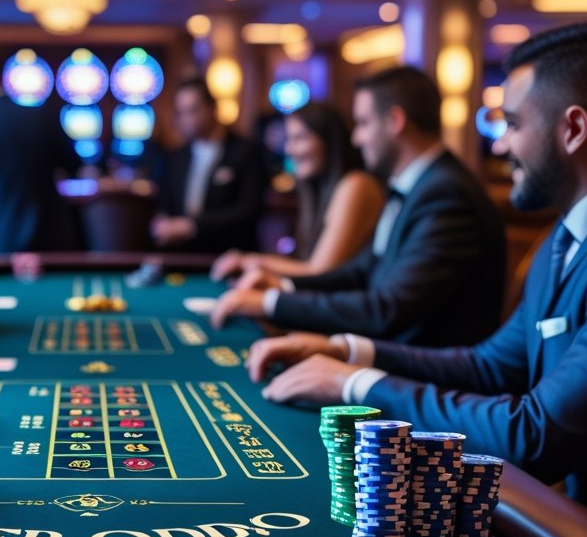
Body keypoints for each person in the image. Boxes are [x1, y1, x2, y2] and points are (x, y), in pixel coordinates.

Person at [248, 22, 587, 537]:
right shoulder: (572, 231)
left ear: (572, 129)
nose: (500, 143)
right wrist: (348, 350)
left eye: (513, 124)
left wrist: (353, 388)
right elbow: (492, 365)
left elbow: (534, 437)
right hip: (576, 535)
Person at [210, 66, 505, 348]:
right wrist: (284, 287)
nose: (356, 138)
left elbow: (388, 308)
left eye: (363, 123)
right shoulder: (417, 184)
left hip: (427, 374)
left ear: (395, 121)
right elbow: (360, 272)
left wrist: (271, 303)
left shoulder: (446, 193)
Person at [211, 102, 384, 280]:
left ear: (329, 141)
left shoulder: (356, 184)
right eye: (288, 140)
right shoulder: (321, 190)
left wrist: (250, 262)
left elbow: (320, 272)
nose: (289, 149)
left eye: (300, 138)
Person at [0, 47, 82, 253]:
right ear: (4, 73)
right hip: (55, 235)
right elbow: (75, 168)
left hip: (3, 237)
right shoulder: (44, 118)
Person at [149, 78, 264, 253]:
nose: (188, 119)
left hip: (229, 255)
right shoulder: (175, 156)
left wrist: (191, 226)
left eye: (193, 110)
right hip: (182, 257)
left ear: (213, 108)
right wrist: (162, 222)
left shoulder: (245, 152)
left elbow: (249, 210)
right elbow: (164, 204)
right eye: (182, 112)